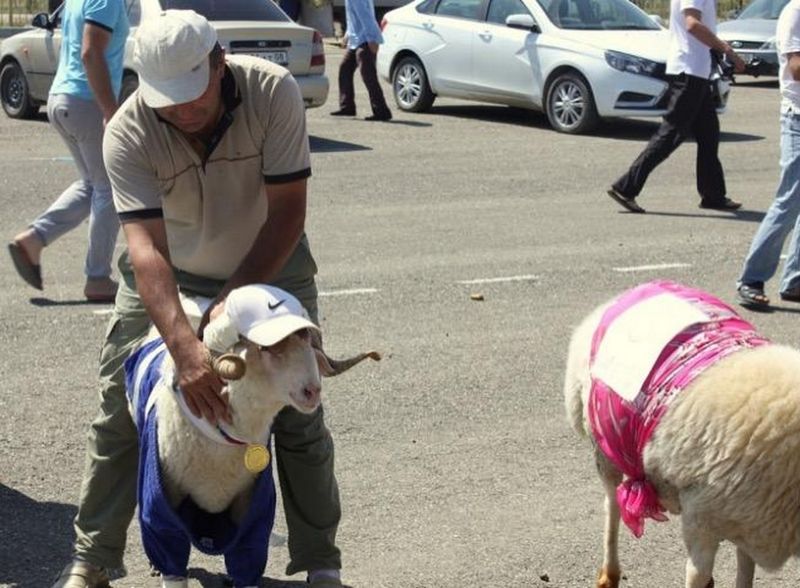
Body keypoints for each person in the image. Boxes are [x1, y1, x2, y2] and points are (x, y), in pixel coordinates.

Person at [52, 10, 345, 588]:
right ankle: (94, 558)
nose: (183, 111)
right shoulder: (129, 129)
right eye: (169, 100)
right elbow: (146, 251)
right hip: (169, 270)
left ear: (219, 63)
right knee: (120, 404)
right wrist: (186, 348)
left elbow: (288, 212)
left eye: (193, 95)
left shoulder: (273, 91)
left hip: (269, 261)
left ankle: (320, 561)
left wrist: (231, 303)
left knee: (298, 409)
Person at [7, 0, 128, 302]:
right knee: (108, 190)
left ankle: (33, 240)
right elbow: (90, 52)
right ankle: (98, 278)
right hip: (86, 100)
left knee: (91, 184)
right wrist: (110, 109)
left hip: (63, 97)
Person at [605, 0, 746, 214]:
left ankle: (713, 195)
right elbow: (692, 24)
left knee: (709, 134)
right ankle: (626, 187)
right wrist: (726, 49)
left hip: (697, 72)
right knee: (671, 133)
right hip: (689, 72)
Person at [736, 0, 800, 309]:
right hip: (797, 119)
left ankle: (795, 280)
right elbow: (796, 67)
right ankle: (750, 279)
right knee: (789, 200)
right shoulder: (795, 13)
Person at [329, 0, 392, 121]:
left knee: (368, 75)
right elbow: (354, 17)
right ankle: (347, 107)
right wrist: (348, 35)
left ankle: (382, 111)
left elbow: (366, 16)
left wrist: (372, 39)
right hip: (356, 39)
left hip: (365, 39)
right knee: (345, 69)